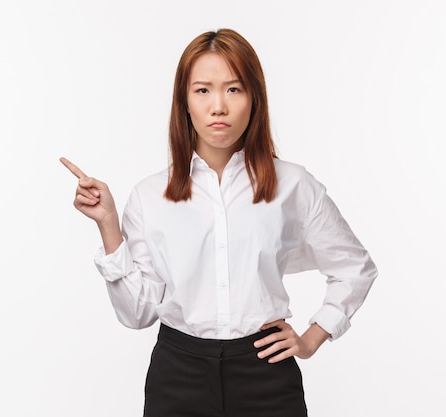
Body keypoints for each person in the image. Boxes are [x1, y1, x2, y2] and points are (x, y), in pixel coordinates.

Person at [61, 28, 378, 417]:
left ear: (254, 99)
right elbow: (137, 314)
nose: (218, 107)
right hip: (178, 373)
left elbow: (355, 268)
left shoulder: (293, 184)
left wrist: (313, 336)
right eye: (203, 91)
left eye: (233, 89)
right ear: (185, 103)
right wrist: (108, 225)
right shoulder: (149, 195)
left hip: (266, 374)